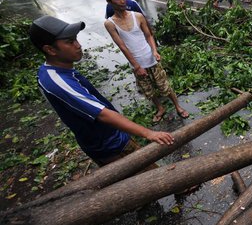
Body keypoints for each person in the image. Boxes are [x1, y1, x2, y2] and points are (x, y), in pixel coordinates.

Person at [29, 15, 174, 166]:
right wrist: (149, 133)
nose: (78, 45)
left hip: (110, 137)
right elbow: (102, 114)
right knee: (151, 178)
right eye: (70, 42)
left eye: (76, 39)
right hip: (111, 146)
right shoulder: (57, 81)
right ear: (50, 49)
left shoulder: (54, 70)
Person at [103, 0, 190, 123]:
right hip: (137, 64)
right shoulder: (110, 23)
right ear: (109, 2)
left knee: (165, 86)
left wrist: (154, 51)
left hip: (151, 59)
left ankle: (178, 106)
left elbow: (149, 35)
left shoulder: (137, 16)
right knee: (148, 91)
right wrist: (137, 66)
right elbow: (122, 46)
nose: (122, 1)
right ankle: (160, 108)